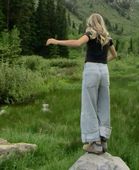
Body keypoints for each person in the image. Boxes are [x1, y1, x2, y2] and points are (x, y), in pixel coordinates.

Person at [46, 13, 117, 154]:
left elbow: (77, 43)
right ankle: (103, 140)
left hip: (91, 69)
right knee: (104, 104)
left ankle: (94, 142)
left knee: (89, 105)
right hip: (104, 70)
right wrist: (102, 63)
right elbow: (114, 55)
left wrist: (56, 41)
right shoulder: (107, 37)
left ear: (91, 22)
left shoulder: (91, 32)